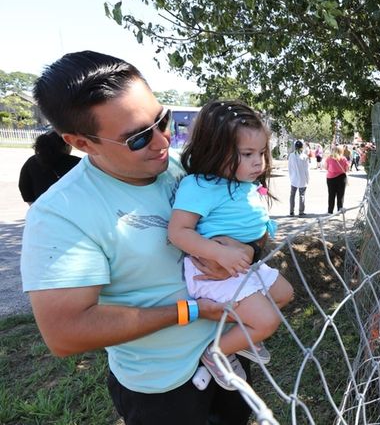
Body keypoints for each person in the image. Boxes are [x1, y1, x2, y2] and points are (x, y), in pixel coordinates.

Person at [22, 51, 261, 425]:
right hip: (164, 388)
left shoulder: (182, 168)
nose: (162, 141)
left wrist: (248, 248)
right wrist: (191, 311)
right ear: (81, 143)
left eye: (161, 120)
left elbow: (239, 223)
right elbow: (65, 333)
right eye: (137, 138)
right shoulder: (60, 213)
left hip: (230, 353)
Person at [168, 100, 294, 390]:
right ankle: (214, 353)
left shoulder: (243, 184)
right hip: (212, 271)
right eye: (248, 154)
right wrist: (219, 253)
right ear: (215, 150)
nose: (258, 162)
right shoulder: (200, 186)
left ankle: (241, 337)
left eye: (262, 153)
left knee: (284, 293)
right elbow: (178, 231)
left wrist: (247, 249)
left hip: (242, 265)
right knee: (267, 322)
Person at [18, 130, 81, 204]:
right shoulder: (77, 163)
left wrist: (36, 207)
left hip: (43, 209)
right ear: (66, 145)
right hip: (72, 209)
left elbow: (24, 188)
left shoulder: (31, 162)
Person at [287, 139, 310, 216]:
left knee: (292, 195)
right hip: (302, 178)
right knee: (302, 195)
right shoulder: (304, 157)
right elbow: (307, 169)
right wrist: (308, 179)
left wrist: (291, 177)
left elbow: (289, 167)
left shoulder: (291, 155)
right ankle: (301, 211)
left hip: (294, 178)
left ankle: (291, 211)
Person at [325, 145, 350, 214]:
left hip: (331, 178)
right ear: (341, 151)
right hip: (341, 178)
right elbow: (347, 169)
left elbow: (325, 167)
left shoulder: (329, 158)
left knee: (331, 195)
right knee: (340, 195)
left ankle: (330, 211)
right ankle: (339, 210)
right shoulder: (344, 159)